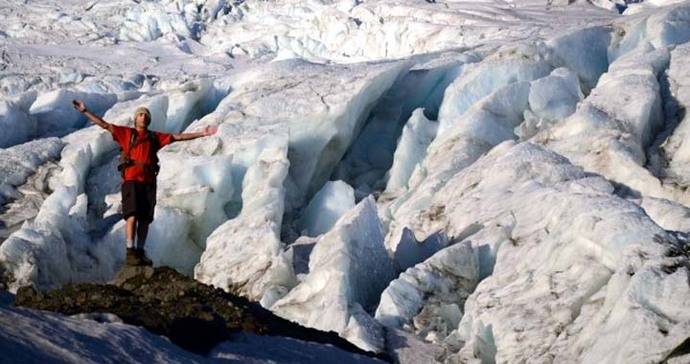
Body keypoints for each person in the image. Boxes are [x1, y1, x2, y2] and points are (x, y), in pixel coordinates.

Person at [72, 100, 218, 266]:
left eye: (146, 115)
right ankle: (130, 251)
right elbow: (104, 125)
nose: (144, 117)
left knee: (145, 220)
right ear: (135, 119)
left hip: (148, 182)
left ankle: (140, 251)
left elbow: (177, 137)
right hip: (132, 180)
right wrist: (85, 111)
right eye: (141, 114)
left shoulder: (154, 137)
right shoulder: (127, 133)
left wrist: (202, 134)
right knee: (132, 216)